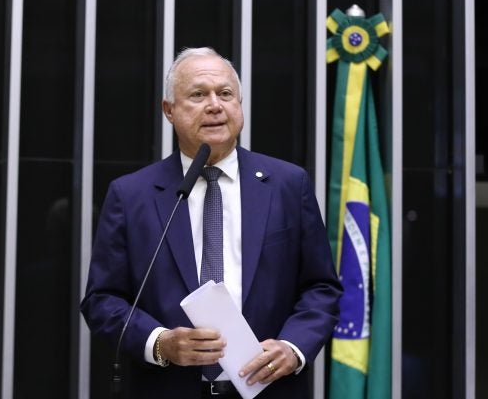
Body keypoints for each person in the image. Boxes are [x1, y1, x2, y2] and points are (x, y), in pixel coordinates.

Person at [81, 47, 342, 398]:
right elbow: (102, 300)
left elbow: (321, 287)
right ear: (169, 110)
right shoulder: (131, 195)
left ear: (240, 104)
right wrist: (159, 342)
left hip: (268, 389)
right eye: (198, 95)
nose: (215, 106)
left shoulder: (288, 185)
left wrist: (293, 347)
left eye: (225, 93)